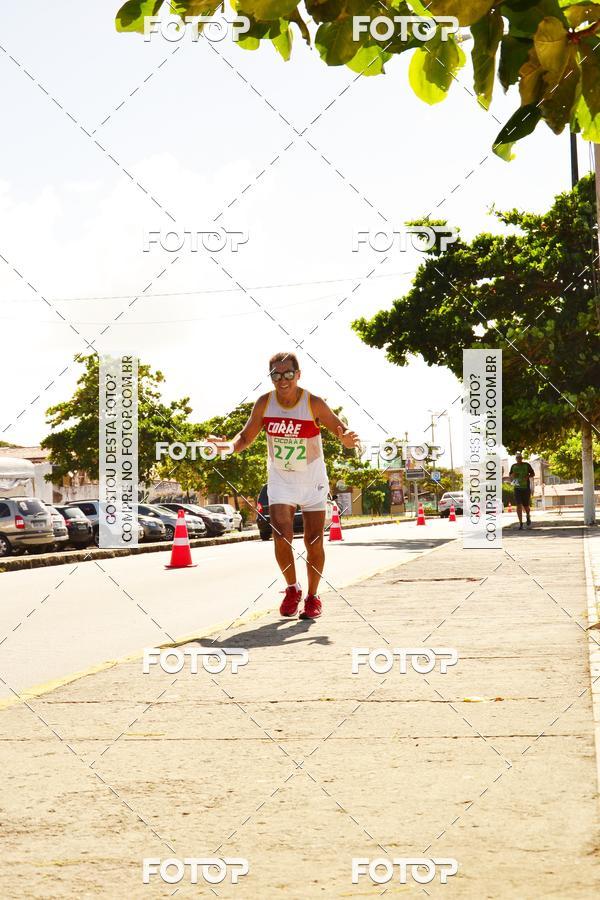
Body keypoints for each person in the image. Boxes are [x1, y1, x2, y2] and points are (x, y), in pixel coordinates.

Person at [212, 352, 360, 619]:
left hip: (312, 479)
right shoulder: (264, 404)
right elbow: (245, 437)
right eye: (276, 375)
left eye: (288, 374)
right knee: (281, 535)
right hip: (280, 479)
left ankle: (313, 598)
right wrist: (227, 447)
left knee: (313, 541)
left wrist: (348, 439)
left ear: (298, 375)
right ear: (271, 378)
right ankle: (292, 588)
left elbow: (341, 431)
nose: (283, 380)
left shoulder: (313, 403)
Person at [509, 452, 535, 530]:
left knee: (526, 506)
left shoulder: (526, 465)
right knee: (519, 505)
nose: (519, 459)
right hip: (517, 488)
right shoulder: (513, 466)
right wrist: (512, 476)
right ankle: (520, 523)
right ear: (516, 459)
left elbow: (533, 474)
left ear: (522, 458)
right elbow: (510, 475)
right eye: (517, 458)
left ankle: (528, 515)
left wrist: (527, 476)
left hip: (526, 488)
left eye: (520, 458)